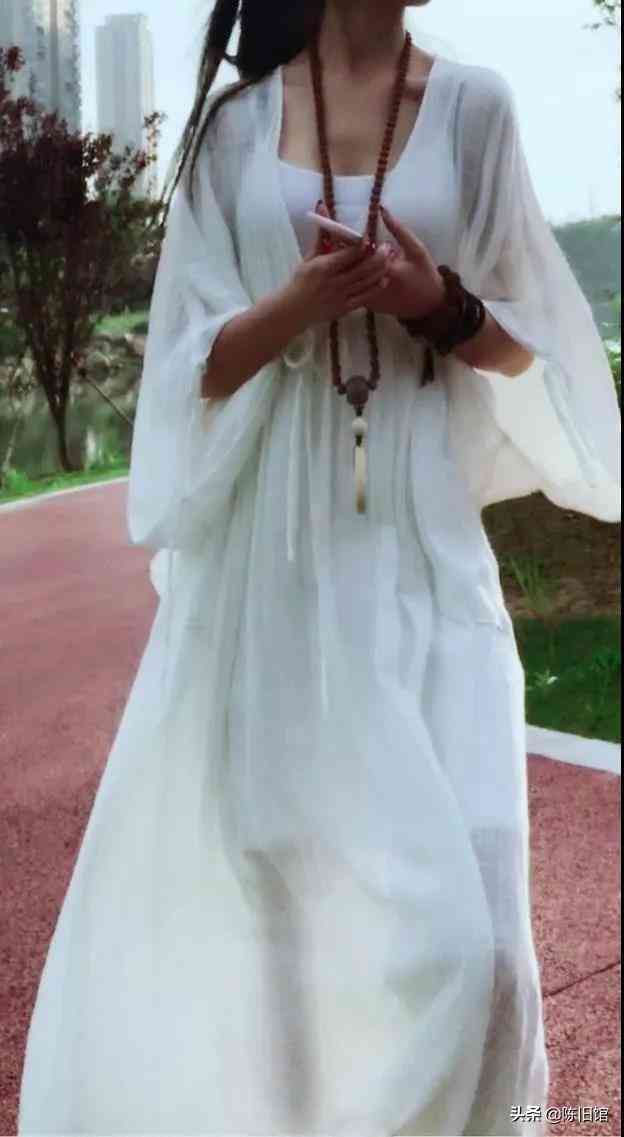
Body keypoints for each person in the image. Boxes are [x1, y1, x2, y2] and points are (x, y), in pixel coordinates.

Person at [18, 2, 620, 1135]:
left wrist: (435, 304)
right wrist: (300, 303)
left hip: (423, 541)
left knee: (479, 946)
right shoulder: (235, 129)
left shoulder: (474, 109)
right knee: (281, 913)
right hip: (273, 556)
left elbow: (525, 340)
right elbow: (188, 369)